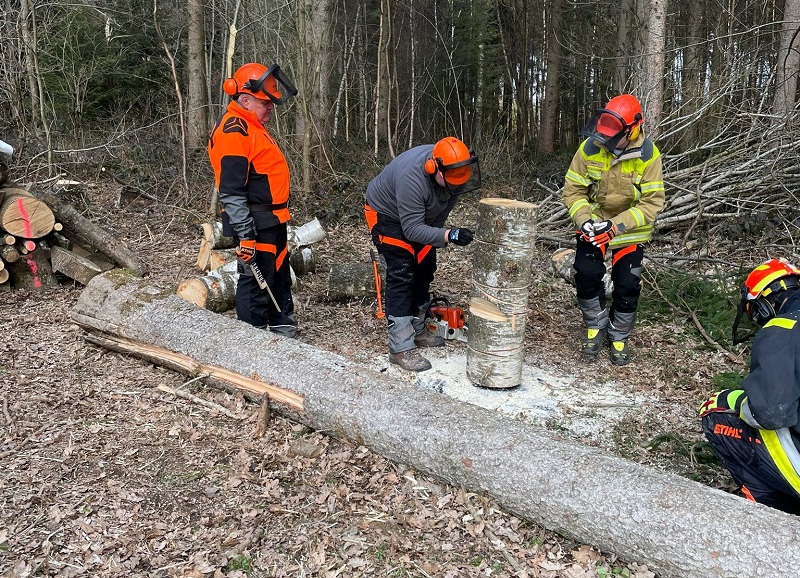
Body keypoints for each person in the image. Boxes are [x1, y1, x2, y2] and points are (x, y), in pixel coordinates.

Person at [561, 94, 665, 365]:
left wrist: (617, 226)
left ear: (632, 129)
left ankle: (619, 335)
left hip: (629, 228)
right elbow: (573, 191)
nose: (605, 141)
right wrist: (584, 220)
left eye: (612, 136)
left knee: (627, 283)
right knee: (586, 273)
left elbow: (652, 202)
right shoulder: (590, 148)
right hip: (593, 223)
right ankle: (595, 326)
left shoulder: (647, 155)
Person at [365, 137, 481, 372]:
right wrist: (449, 235)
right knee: (402, 273)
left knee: (425, 268)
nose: (457, 185)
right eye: (452, 181)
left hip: (417, 219)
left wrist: (439, 232)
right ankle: (400, 347)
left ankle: (416, 331)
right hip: (387, 216)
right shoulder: (413, 178)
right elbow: (410, 229)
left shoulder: (455, 174)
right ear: (434, 168)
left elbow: (440, 214)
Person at [700, 258, 800, 515]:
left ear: (766, 305)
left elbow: (770, 412)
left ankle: (772, 509)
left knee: (715, 410)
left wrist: (739, 401)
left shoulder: (783, 327)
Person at [207, 62, 298, 336]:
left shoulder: (252, 125)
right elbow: (231, 191)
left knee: (278, 274)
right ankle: (251, 339)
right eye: (264, 102)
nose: (269, 107)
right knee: (257, 282)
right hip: (255, 220)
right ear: (245, 100)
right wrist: (246, 234)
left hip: (272, 217)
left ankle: (282, 327)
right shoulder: (234, 132)